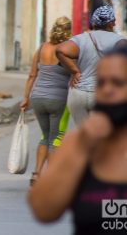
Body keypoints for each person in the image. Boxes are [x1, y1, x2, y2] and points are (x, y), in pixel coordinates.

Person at [28, 46, 127, 235]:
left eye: (117, 83)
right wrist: (82, 148)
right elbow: (43, 210)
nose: (107, 90)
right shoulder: (78, 142)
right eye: (101, 83)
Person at [20, 16, 72, 185]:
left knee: (45, 136)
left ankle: (36, 174)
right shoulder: (68, 50)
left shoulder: (42, 48)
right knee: (54, 138)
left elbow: (32, 75)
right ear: (68, 31)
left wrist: (25, 98)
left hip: (38, 98)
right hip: (58, 99)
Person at [56, 4, 125, 126]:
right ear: (112, 23)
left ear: (93, 23)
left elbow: (60, 50)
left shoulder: (80, 39)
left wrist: (75, 71)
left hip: (77, 95)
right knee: (103, 137)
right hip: (102, 95)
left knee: (85, 137)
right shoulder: (119, 42)